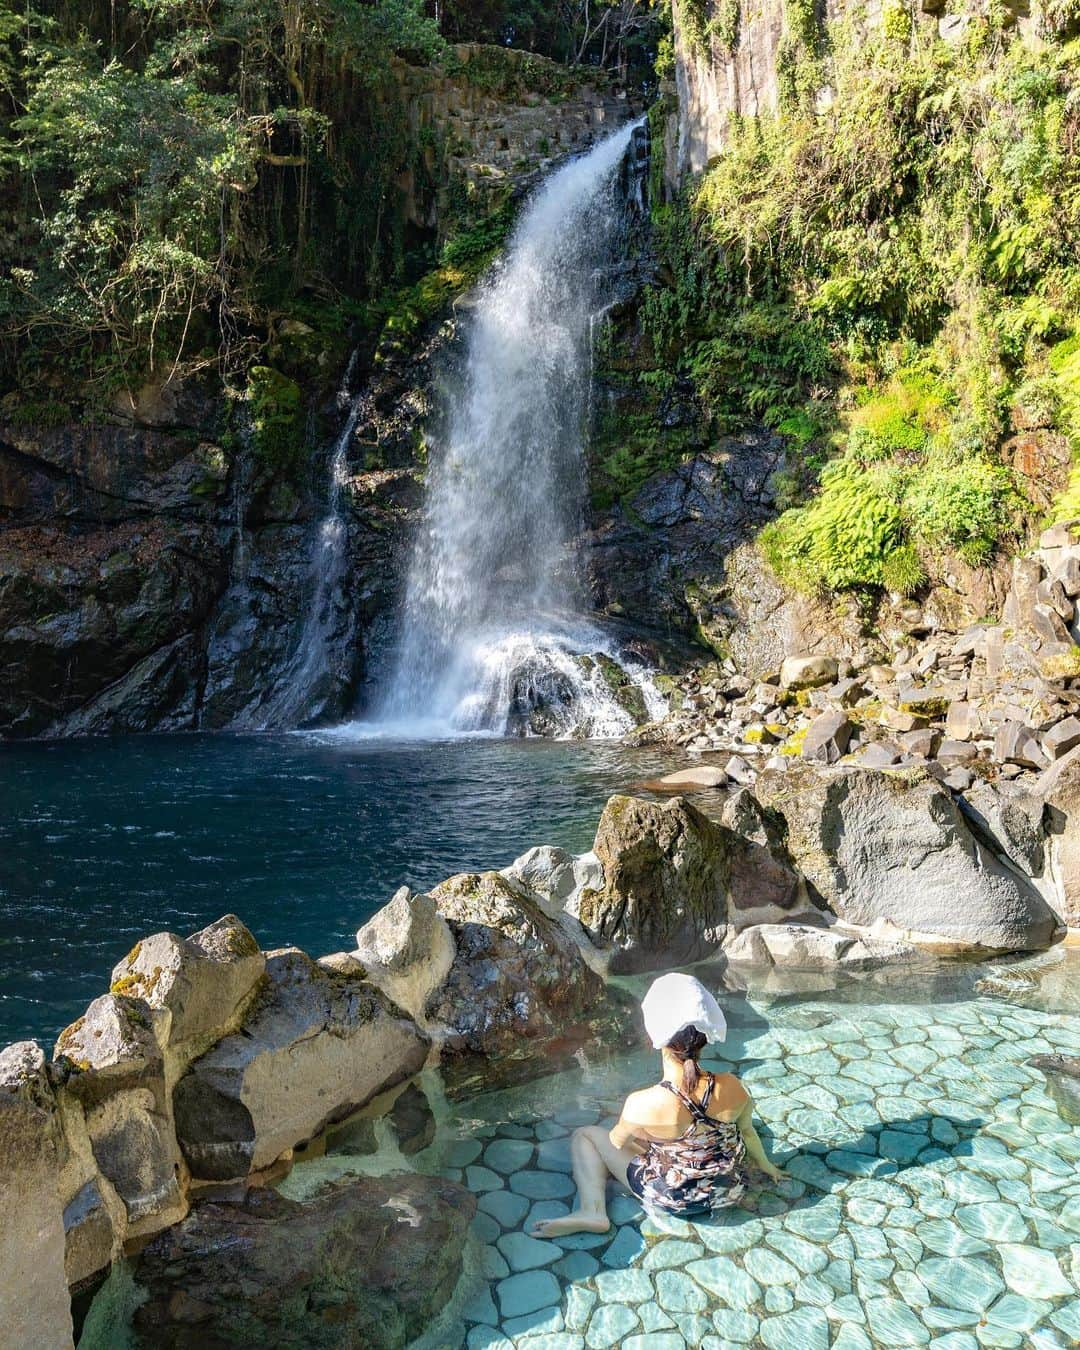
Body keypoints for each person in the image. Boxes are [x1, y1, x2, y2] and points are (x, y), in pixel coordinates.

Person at [531, 973, 784, 1236]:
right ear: (705, 1036)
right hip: (728, 1192)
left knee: (586, 1136)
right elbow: (748, 1131)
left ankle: (592, 1211)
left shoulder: (643, 1103)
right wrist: (767, 1166)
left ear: (655, 1035)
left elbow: (617, 1143)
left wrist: (648, 1132)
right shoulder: (731, 1085)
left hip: (674, 1199)